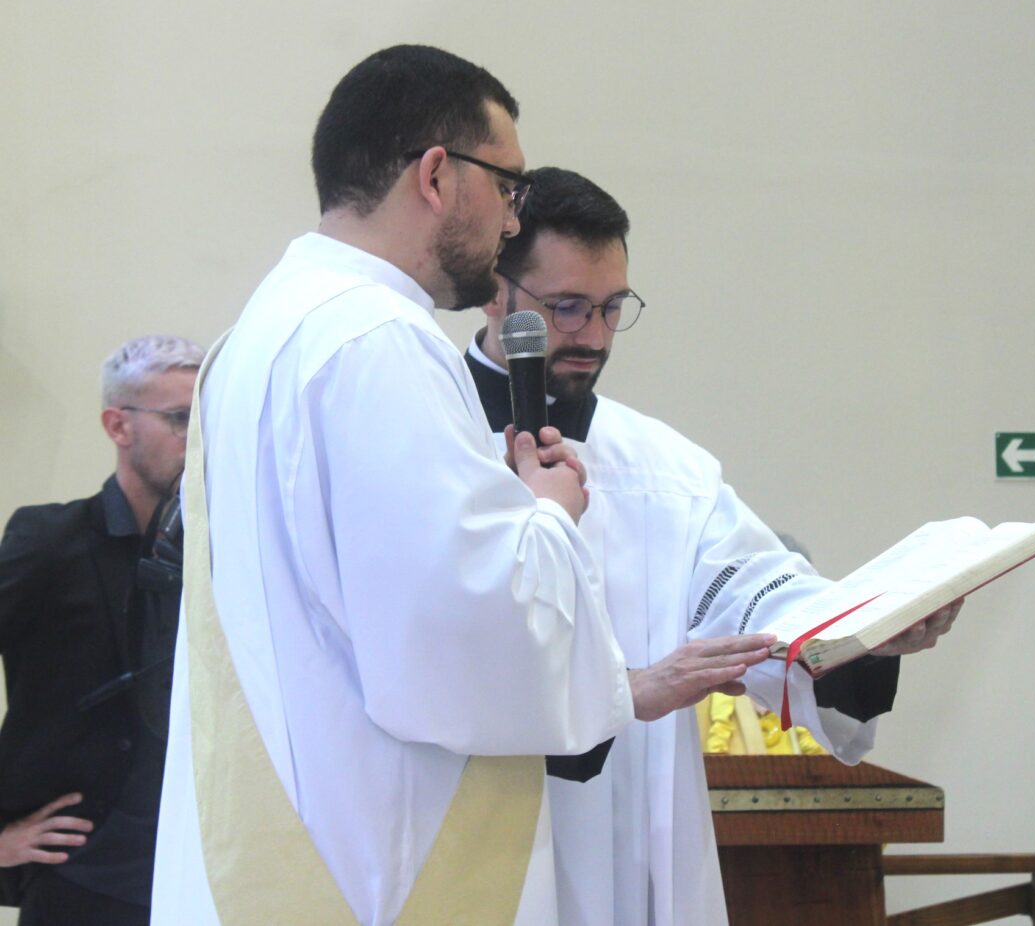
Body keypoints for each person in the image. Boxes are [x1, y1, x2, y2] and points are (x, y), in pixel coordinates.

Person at [154, 46, 758, 926]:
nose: (513, 222)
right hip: (375, 866)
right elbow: (459, 635)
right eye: (509, 187)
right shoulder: (377, 342)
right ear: (438, 174)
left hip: (282, 833)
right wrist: (549, 515)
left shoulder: (263, 330)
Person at [467, 166, 960, 926]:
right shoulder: (427, 432)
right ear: (498, 291)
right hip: (473, 836)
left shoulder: (665, 468)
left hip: (630, 830)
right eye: (566, 307)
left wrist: (868, 633)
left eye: (611, 308)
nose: (593, 335)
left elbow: (756, 594)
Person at [0, 334, 204, 924]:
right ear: (119, 426)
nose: (201, 439)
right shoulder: (48, 542)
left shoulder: (229, 554)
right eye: (180, 419)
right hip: (79, 882)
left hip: (197, 873)